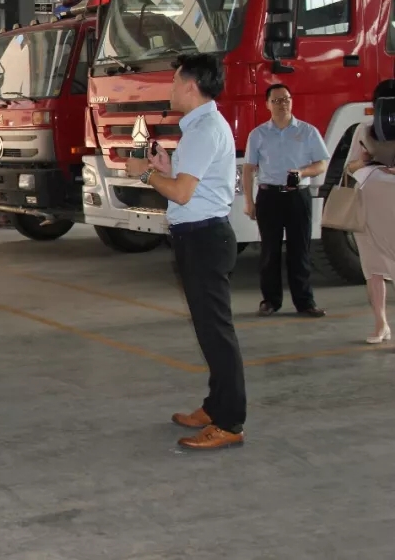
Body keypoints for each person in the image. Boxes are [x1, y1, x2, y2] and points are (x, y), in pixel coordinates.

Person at [126, 53, 245, 451]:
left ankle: (229, 422)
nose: (171, 87)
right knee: (209, 332)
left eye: (175, 81)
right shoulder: (201, 126)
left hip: (205, 239)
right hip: (200, 236)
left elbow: (181, 193)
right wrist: (167, 167)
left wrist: (145, 173)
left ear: (191, 86)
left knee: (217, 334)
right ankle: (216, 406)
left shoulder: (204, 129)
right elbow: (190, 181)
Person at [243, 84, 328, 318]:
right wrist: (249, 201)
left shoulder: (308, 131)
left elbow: (321, 163)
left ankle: (305, 302)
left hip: (298, 196)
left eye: (287, 99)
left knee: (299, 250)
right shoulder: (258, 134)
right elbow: (249, 169)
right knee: (269, 251)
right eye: (277, 100)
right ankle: (270, 301)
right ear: (267, 104)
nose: (283, 104)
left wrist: (303, 172)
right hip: (269, 196)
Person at [345, 79, 395, 344]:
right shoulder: (364, 130)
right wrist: (364, 162)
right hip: (369, 207)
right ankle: (381, 324)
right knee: (373, 268)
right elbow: (349, 167)